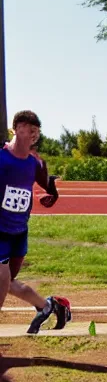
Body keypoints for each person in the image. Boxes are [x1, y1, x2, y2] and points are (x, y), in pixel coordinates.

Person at [0, 110, 71, 334]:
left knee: (7, 282)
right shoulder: (1, 158)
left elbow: (47, 183)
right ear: (15, 128)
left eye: (37, 132)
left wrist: (53, 194)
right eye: (29, 130)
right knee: (2, 279)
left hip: (19, 231)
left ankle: (48, 306)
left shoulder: (35, 163)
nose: (33, 135)